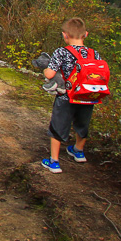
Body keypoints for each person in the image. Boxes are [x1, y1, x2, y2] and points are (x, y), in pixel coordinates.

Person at [41, 17, 99, 173]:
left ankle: (54, 162)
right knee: (82, 124)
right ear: (85, 34)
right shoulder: (94, 54)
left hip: (67, 97)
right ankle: (78, 151)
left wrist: (46, 71)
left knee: (58, 126)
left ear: (64, 35)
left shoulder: (61, 52)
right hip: (87, 97)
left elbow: (51, 73)